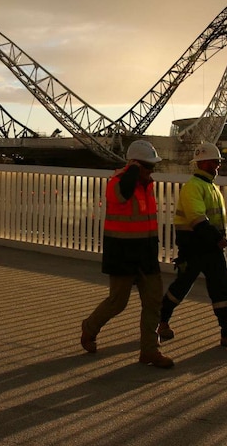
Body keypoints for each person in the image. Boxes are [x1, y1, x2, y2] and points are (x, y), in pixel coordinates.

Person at [80, 140, 174, 368]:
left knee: (153, 302)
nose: (152, 171)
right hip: (122, 252)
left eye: (153, 167)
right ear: (134, 165)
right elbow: (121, 196)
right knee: (117, 302)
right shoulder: (116, 183)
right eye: (148, 166)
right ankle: (89, 328)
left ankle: (149, 352)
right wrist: (131, 171)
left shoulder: (147, 186)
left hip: (145, 252)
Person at [156, 142, 227, 349]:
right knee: (180, 288)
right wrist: (217, 238)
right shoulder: (194, 187)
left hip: (209, 248)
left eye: (218, 162)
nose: (217, 166)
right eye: (214, 162)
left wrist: (217, 240)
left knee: (221, 290)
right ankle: (160, 322)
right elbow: (197, 218)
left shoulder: (210, 187)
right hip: (195, 248)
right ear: (202, 163)